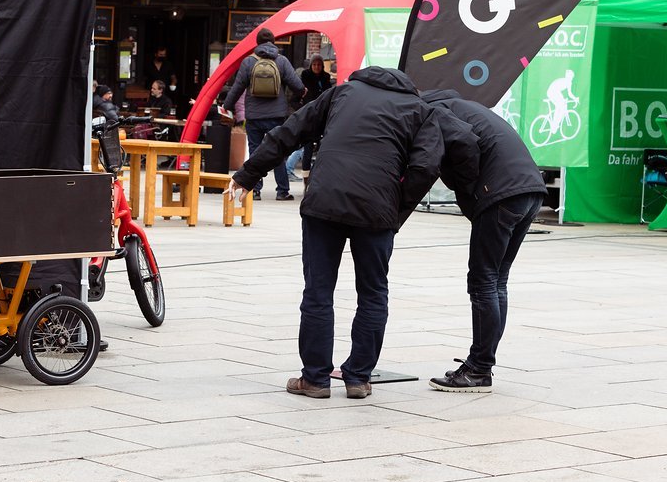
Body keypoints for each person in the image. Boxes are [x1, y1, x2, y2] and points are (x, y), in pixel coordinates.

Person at [225, 67, 471, 399]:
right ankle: (358, 378)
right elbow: (426, 166)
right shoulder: (420, 110)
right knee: (372, 293)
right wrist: (395, 209)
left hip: (324, 201)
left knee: (318, 291)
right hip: (377, 210)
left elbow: (289, 131)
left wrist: (248, 174)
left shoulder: (341, 93)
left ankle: (314, 379)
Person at [422, 89, 547, 392]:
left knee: (483, 281)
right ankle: (483, 363)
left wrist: (469, 195)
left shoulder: (434, 114)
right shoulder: (461, 105)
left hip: (501, 193)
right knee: (497, 280)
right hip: (529, 189)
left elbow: (464, 150)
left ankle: (479, 368)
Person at [223, 28, 305, 201]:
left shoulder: (248, 62)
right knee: (278, 151)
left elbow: (237, 87)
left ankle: (254, 190)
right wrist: (299, 96)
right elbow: (297, 85)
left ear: (257, 43)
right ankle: (282, 191)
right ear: (274, 42)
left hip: (254, 115)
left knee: (255, 151)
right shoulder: (281, 61)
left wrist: (227, 105)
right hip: (276, 115)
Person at [287, 55, 335, 180]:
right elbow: (293, 100)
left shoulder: (326, 79)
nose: (317, 67)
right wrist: (304, 110)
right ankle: (306, 179)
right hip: (309, 119)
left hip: (322, 119)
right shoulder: (304, 79)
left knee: (323, 149)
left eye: (319, 65)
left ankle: (319, 177)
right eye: (314, 64)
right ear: (311, 65)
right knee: (307, 150)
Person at [546, 68, 578, 137]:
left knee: (560, 106)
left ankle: (554, 125)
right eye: (571, 76)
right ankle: (554, 126)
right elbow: (569, 94)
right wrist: (575, 99)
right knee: (560, 108)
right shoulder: (568, 82)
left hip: (552, 91)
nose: (571, 78)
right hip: (553, 92)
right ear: (570, 76)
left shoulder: (564, 80)